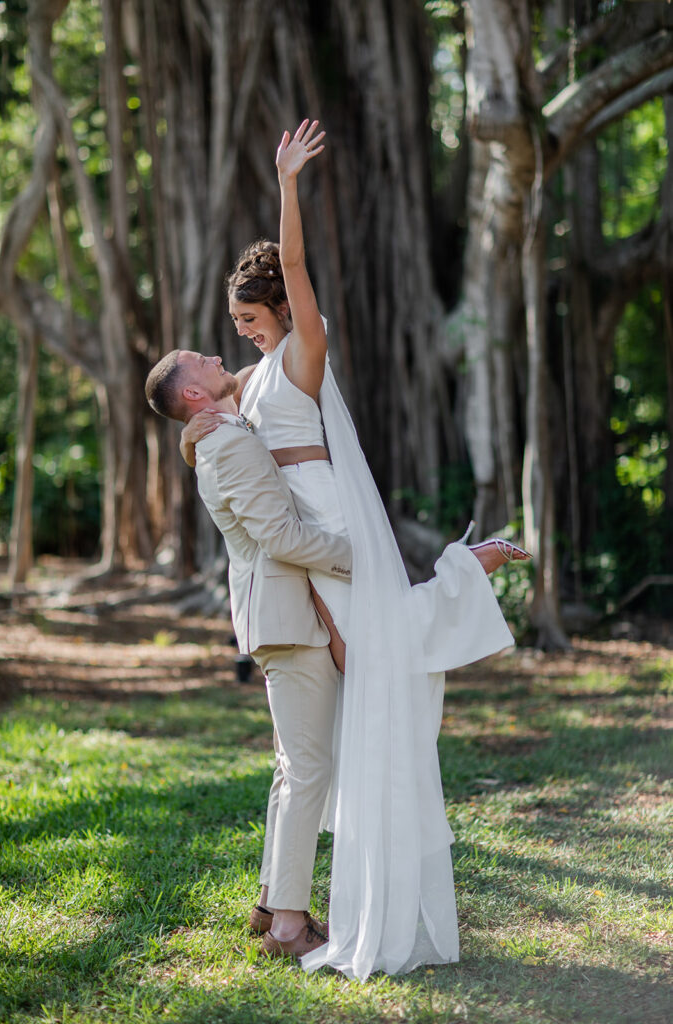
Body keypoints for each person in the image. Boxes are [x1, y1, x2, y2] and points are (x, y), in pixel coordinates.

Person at [179, 120, 529, 980]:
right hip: (299, 539)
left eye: (250, 316)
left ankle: (465, 567)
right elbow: (214, 444)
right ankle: (466, 567)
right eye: (234, 322)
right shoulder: (240, 389)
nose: (244, 330)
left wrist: (288, 184)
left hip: (325, 512)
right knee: (369, 661)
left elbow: (296, 273)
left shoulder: (299, 353)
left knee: (378, 649)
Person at [145, 349, 352, 959]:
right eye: (197, 361)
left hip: (274, 615)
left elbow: (250, 386)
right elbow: (281, 536)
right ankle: (290, 926)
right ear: (191, 398)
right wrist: (357, 553)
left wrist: (190, 442)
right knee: (309, 768)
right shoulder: (227, 444)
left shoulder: (220, 434)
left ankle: (271, 903)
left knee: (294, 765)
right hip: (286, 617)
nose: (213, 355)